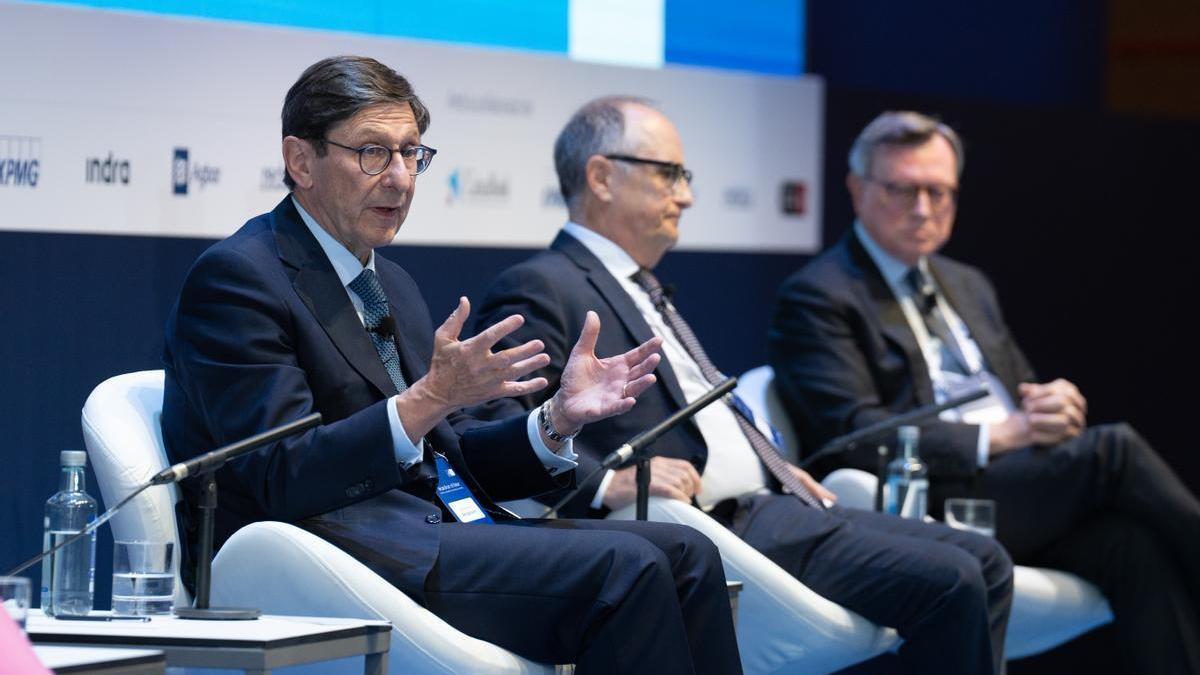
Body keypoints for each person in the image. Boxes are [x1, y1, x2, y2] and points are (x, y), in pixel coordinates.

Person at [161, 56, 744, 675]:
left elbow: (455, 456)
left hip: (442, 529)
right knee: (630, 570)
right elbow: (281, 471)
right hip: (334, 551)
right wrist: (426, 400)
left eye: (412, 154)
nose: (400, 179)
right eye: (373, 154)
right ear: (301, 161)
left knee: (688, 552)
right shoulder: (240, 280)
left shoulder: (393, 284)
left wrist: (555, 423)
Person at [472, 96, 1014, 675]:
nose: (687, 195)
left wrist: (773, 461)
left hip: (771, 505)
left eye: (686, 177)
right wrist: (606, 482)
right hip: (713, 527)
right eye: (670, 174)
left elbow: (702, 405)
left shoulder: (641, 285)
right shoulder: (539, 286)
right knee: (952, 580)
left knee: (987, 560)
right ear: (602, 177)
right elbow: (496, 436)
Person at [769, 110, 1200, 673]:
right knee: (1113, 451)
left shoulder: (968, 283)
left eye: (938, 191)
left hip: (1025, 485)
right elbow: (851, 436)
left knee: (1129, 548)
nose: (922, 208)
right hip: (929, 497)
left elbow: (1021, 391)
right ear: (857, 189)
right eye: (902, 189)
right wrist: (995, 437)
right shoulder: (819, 296)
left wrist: (1053, 408)